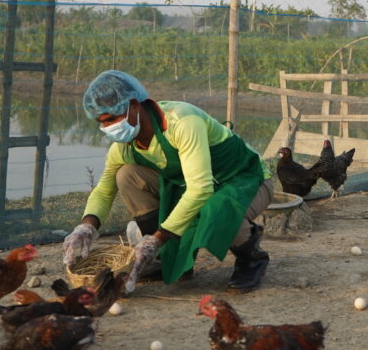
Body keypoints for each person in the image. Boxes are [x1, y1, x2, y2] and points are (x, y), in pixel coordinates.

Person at [62, 70, 275, 293]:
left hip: (245, 180)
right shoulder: (123, 148)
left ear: (133, 105)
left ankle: (251, 258)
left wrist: (157, 239)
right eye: (101, 122)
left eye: (111, 119)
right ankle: (169, 260)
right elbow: (104, 191)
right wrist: (86, 227)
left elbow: (201, 189)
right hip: (192, 186)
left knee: (218, 209)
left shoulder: (182, 121)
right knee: (126, 175)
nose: (107, 128)